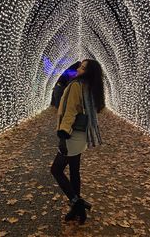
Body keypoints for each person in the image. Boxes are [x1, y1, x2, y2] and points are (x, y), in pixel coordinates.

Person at [51, 59, 105, 225]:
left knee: (56, 170)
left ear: (87, 72)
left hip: (71, 135)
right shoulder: (91, 87)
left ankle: (78, 204)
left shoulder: (76, 85)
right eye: (80, 66)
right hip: (82, 135)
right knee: (74, 171)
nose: (78, 69)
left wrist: (63, 133)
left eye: (82, 67)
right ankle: (76, 212)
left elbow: (71, 111)